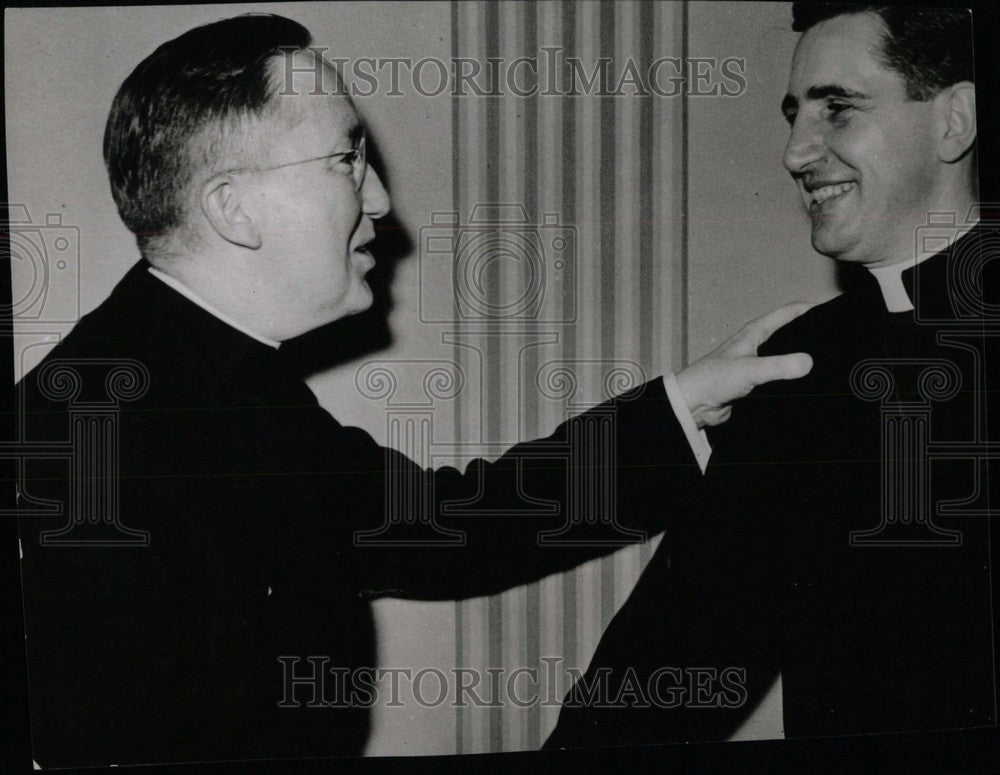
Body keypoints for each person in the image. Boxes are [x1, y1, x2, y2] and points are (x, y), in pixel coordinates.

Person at [14, 14, 812, 767]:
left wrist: (680, 407)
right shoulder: (86, 432)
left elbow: (442, 525)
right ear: (233, 207)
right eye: (344, 159)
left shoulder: (215, 378)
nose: (380, 200)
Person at [545, 3, 995, 748]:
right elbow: (670, 658)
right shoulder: (795, 366)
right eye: (793, 115)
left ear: (955, 121)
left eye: (838, 109)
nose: (794, 152)